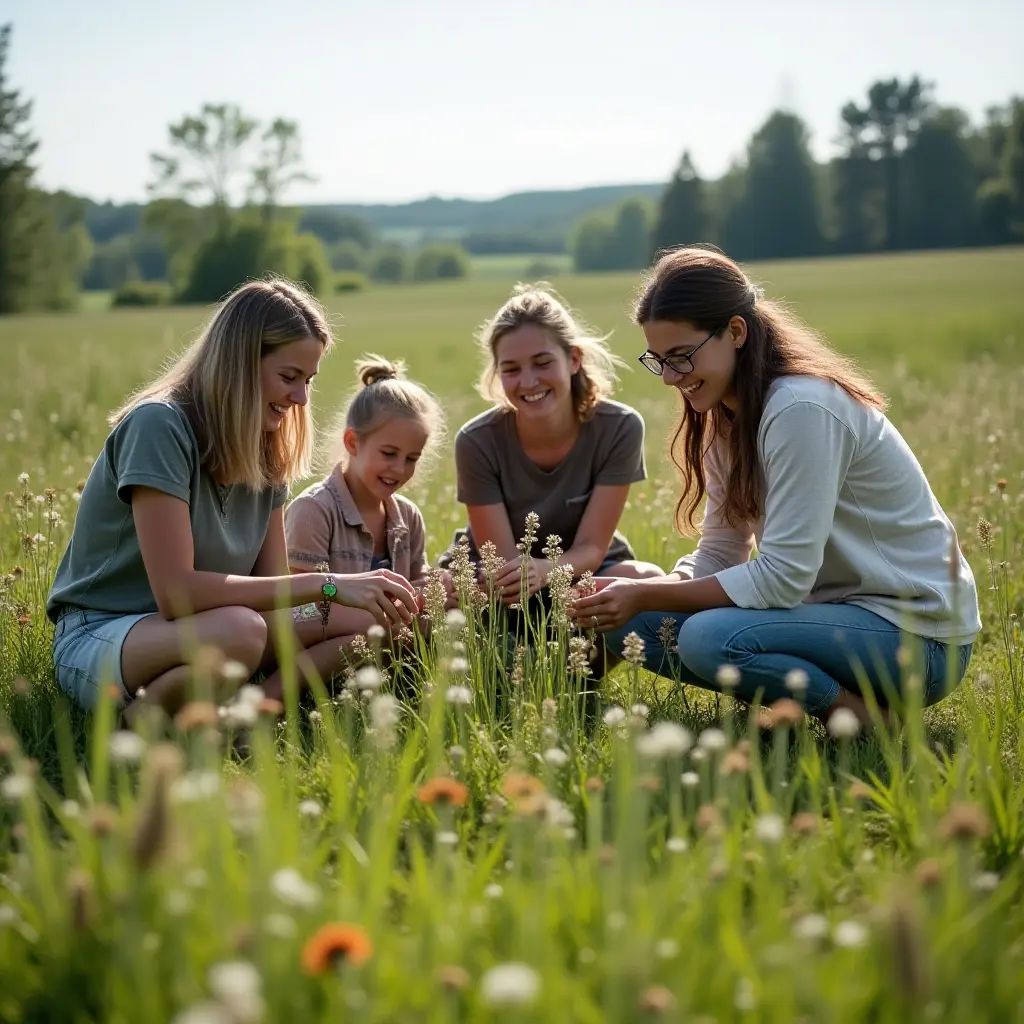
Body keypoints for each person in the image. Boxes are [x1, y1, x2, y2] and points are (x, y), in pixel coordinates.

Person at [571, 246, 981, 724]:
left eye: (681, 357)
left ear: (736, 332)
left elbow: (784, 577)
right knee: (633, 625)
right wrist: (645, 592)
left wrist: (650, 594)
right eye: (657, 360)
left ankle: (864, 721)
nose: (668, 377)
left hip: (917, 639)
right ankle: (804, 694)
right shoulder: (725, 415)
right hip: (831, 622)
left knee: (705, 637)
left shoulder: (800, 408)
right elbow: (722, 550)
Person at [47, 279, 418, 716]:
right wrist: (331, 584)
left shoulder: (267, 442)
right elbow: (175, 593)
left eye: (308, 381)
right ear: (239, 364)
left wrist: (367, 603)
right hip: (107, 634)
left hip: (210, 633)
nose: (300, 398)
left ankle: (258, 712)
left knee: (374, 621)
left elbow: (274, 591)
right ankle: (141, 724)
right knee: (240, 631)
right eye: (288, 377)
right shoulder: (159, 426)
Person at [441, 283, 663, 610]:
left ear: (573, 359)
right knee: (444, 595)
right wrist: (526, 578)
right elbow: (501, 566)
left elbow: (591, 547)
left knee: (645, 581)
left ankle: (582, 664)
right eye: (511, 369)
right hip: (496, 578)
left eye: (542, 363)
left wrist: (548, 571)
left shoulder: (620, 428)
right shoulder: (477, 441)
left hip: (579, 568)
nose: (528, 381)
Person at [284, 354, 453, 660]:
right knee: (368, 625)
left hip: (383, 637)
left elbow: (418, 580)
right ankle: (279, 695)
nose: (399, 469)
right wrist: (373, 605)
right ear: (352, 442)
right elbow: (301, 606)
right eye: (389, 453)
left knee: (446, 617)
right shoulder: (313, 510)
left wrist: (439, 587)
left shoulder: (408, 518)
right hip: (320, 639)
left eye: (412, 459)